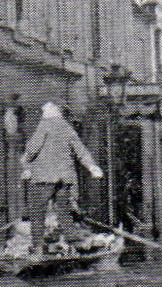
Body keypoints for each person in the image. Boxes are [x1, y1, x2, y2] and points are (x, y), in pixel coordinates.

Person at [20, 102, 103, 246]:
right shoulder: (67, 128)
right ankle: (72, 242)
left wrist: (25, 162)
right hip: (65, 178)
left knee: (37, 211)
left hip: (43, 178)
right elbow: (81, 150)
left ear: (49, 111)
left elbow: (33, 147)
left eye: (44, 110)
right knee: (64, 210)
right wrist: (92, 167)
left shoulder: (45, 125)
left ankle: (38, 248)